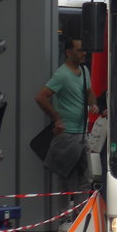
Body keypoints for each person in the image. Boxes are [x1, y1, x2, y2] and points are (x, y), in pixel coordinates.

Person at [35, 35, 94, 195]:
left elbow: (89, 92)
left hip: (82, 133)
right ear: (68, 52)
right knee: (65, 177)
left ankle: (80, 214)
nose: (84, 53)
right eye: (79, 50)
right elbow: (41, 97)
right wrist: (57, 119)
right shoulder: (62, 75)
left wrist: (93, 104)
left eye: (84, 50)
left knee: (86, 178)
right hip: (67, 134)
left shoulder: (84, 70)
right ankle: (63, 215)